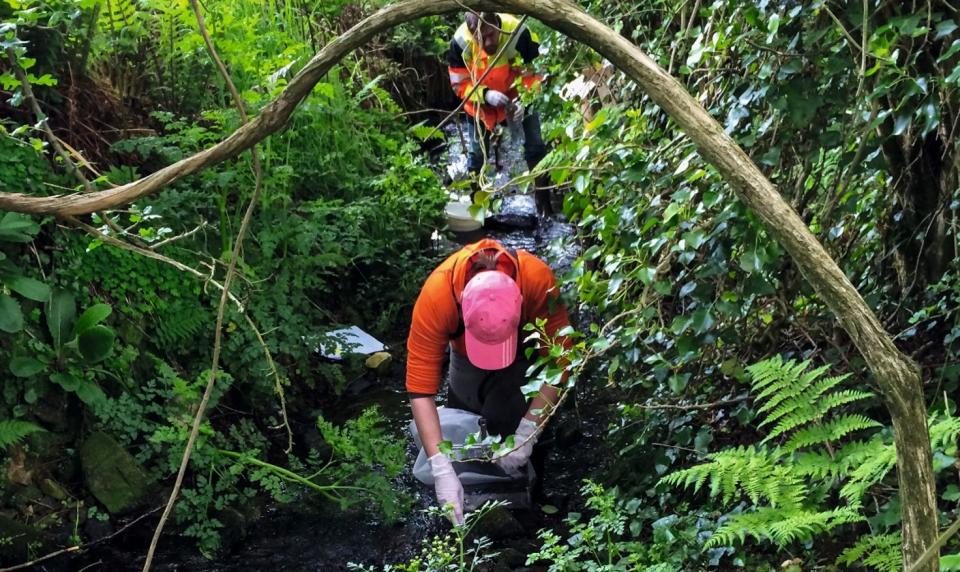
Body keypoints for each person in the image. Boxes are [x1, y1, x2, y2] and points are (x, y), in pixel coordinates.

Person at [406, 238, 571, 524]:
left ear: (520, 303)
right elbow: (420, 389)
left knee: (509, 420)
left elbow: (562, 362)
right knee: (464, 418)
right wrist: (441, 468)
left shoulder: (536, 281)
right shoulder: (437, 295)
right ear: (461, 304)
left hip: (522, 352)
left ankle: (529, 495)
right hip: (464, 353)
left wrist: (527, 433)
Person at [447, 12, 553, 216]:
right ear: (472, 33)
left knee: (536, 146)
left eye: (491, 35)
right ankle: (477, 212)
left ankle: (543, 205)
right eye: (481, 37)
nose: (487, 42)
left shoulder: (518, 33)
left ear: (497, 24)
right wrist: (485, 95)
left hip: (518, 96)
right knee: (477, 155)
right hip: (479, 104)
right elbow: (459, 85)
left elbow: (536, 72)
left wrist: (526, 97)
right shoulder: (460, 44)